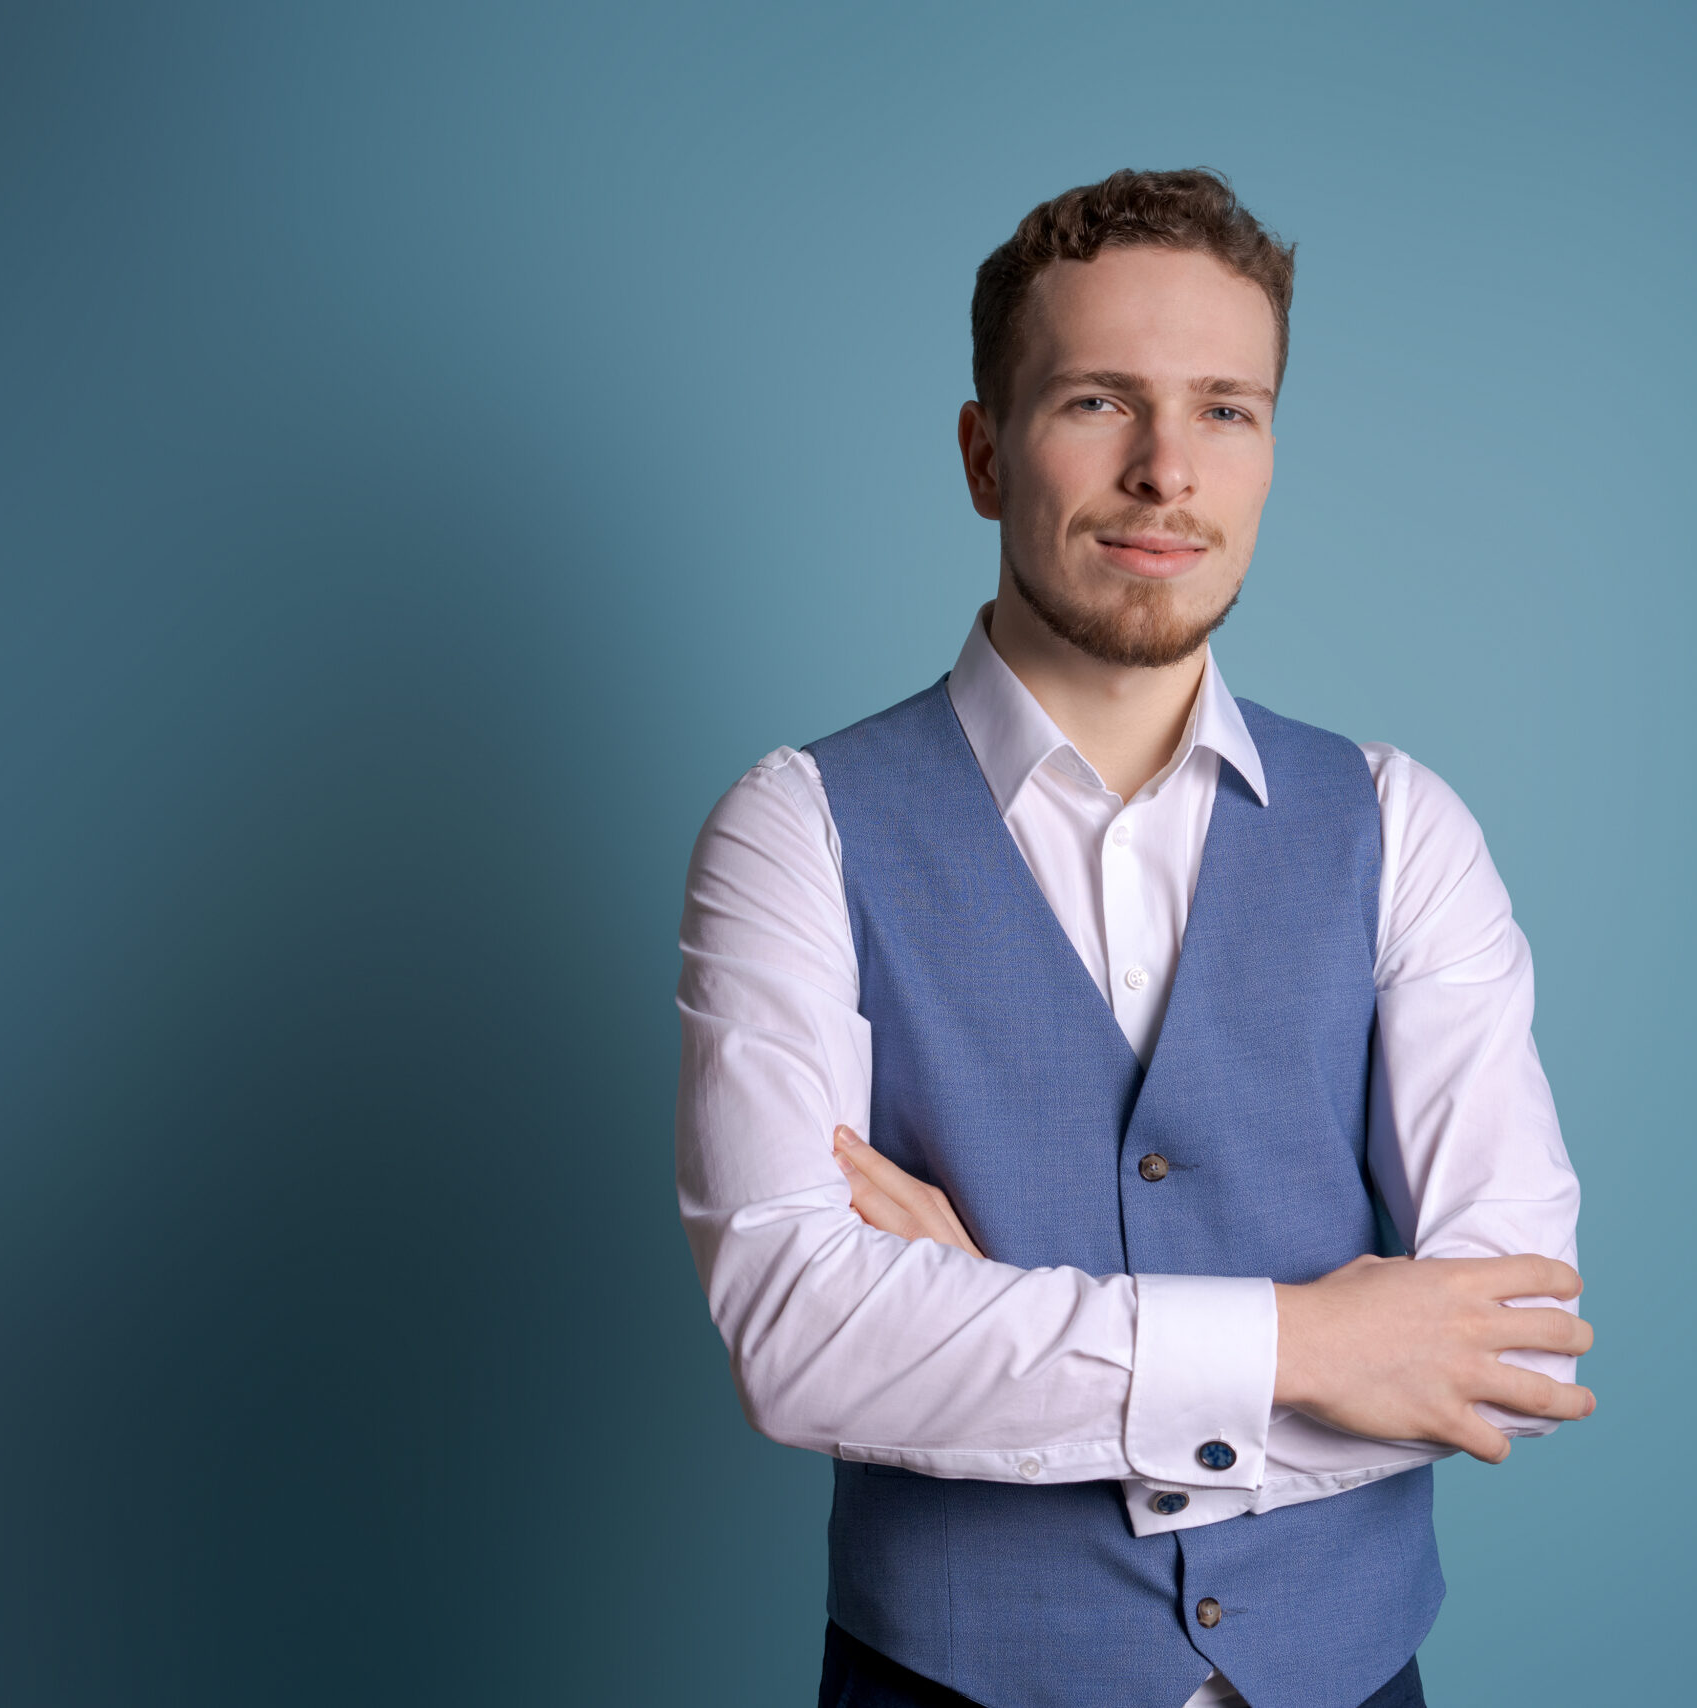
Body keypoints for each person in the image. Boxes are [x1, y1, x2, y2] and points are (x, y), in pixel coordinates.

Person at [676, 168, 1592, 1708]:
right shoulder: (799, 828)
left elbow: (1511, 1347)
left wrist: (982, 1324)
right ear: (985, 454)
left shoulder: (1400, 824)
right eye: (1099, 401)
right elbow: (803, 1342)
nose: (1168, 471)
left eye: (1226, 410)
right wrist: (1322, 1344)